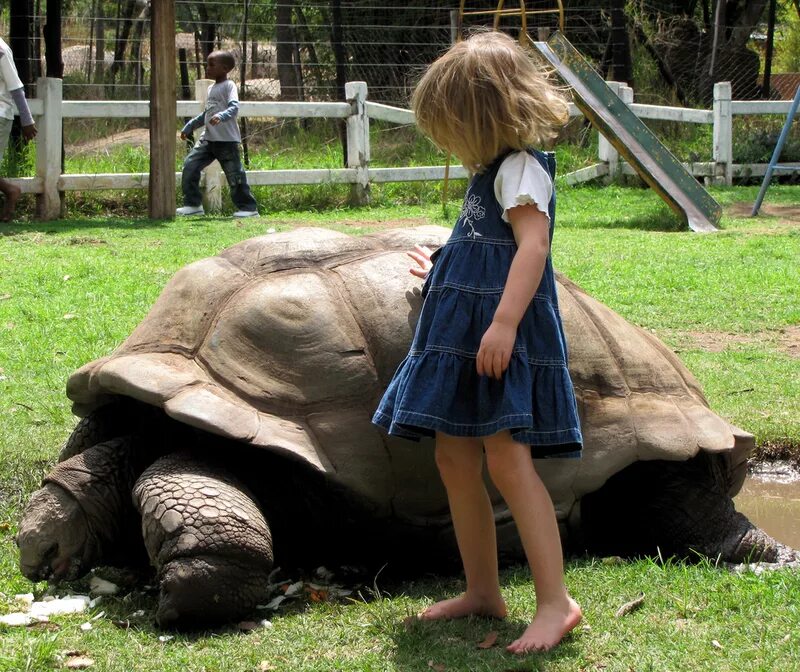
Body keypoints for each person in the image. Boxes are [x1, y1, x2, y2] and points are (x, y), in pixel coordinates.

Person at [372, 31, 583, 654]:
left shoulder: (522, 167)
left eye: (452, 126)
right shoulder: (494, 168)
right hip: (461, 332)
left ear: (485, 116)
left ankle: (555, 603)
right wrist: (446, 262)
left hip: (496, 337)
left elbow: (532, 251)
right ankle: (483, 590)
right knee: (453, 458)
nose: (447, 140)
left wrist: (505, 324)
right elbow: (485, 245)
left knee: (507, 462)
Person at [177, 50, 258, 218]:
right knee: (190, 166)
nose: (207, 68)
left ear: (225, 68)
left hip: (226, 141)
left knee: (234, 175)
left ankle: (248, 208)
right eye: (207, 64)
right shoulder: (210, 88)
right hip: (208, 139)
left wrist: (221, 116)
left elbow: (234, 107)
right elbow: (207, 113)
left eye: (212, 65)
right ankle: (193, 205)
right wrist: (189, 126)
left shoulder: (229, 86)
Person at [0, 37, 36, 222]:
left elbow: (16, 88)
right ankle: (10, 190)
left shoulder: (1, 50)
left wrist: (27, 120)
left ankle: (10, 191)